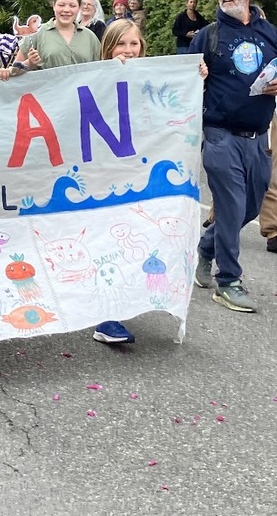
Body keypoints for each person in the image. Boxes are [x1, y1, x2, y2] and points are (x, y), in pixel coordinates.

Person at [190, 0, 277, 314]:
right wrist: (196, 75)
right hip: (219, 134)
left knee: (250, 206)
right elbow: (185, 80)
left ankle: (205, 249)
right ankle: (228, 281)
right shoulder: (208, 35)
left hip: (259, 135)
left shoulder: (270, 32)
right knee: (232, 206)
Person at [92, 20, 209, 343]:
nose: (128, 51)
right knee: (108, 243)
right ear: (108, 48)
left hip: (140, 176)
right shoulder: (91, 80)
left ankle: (124, 304)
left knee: (135, 240)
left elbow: (173, 114)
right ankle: (106, 318)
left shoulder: (153, 80)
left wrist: (193, 77)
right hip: (106, 176)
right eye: (121, 44)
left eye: (134, 44)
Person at [15, 0, 100, 70]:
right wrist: (29, 63)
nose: (66, 10)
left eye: (72, 6)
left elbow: (101, 71)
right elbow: (14, 72)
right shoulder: (36, 35)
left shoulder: (90, 37)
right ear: (53, 5)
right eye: (61, 5)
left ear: (79, 8)